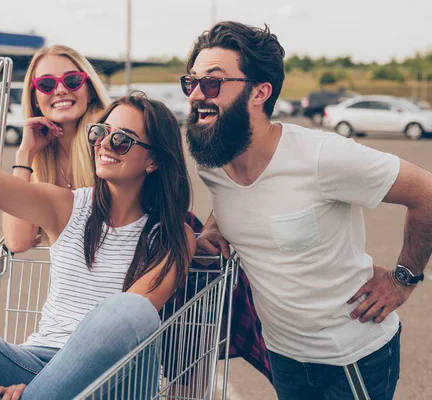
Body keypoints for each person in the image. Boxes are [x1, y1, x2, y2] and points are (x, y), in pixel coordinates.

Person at [0, 42, 196, 400]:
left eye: (122, 140)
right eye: (100, 133)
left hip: (120, 377)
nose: (105, 143)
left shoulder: (173, 236)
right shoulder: (67, 206)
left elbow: (123, 333)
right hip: (38, 362)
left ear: (153, 161)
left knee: (131, 312)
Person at [183, 21, 432, 399]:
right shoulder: (213, 165)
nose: (197, 94)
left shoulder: (322, 157)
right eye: (192, 82)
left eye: (212, 82)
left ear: (259, 92)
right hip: (283, 357)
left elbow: (427, 193)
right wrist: (217, 228)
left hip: (354, 360)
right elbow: (240, 200)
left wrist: (404, 279)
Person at [2, 44, 111, 251]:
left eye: (72, 80)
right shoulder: (42, 161)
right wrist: (24, 154)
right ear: (35, 98)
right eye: (46, 84)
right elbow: (17, 241)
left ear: (89, 91)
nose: (60, 90)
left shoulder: (109, 141)